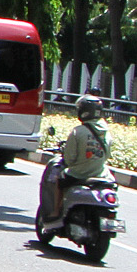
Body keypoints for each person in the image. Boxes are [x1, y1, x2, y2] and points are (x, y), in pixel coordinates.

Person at [39, 96, 113, 230]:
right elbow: (107, 155)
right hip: (101, 174)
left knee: (58, 179)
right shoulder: (107, 133)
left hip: (79, 173)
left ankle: (56, 210)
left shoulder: (78, 132)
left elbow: (69, 159)